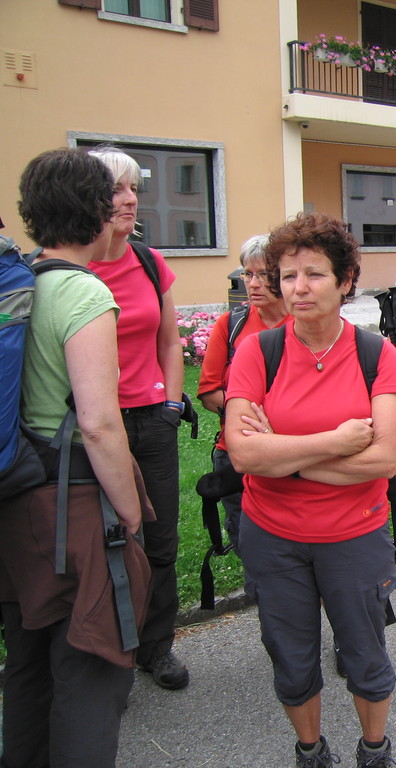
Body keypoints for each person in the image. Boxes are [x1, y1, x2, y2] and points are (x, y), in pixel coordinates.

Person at [224, 212, 396, 768]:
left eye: (314, 274)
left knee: (364, 652)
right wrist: (335, 442)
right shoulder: (259, 352)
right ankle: (311, 751)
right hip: (273, 538)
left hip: (355, 535)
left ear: (345, 280)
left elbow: (386, 459)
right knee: (291, 655)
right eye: (287, 276)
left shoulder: (376, 354)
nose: (298, 288)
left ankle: (374, 750)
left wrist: (286, 458)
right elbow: (243, 454)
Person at [1, 148, 151, 767]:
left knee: (28, 662)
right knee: (91, 668)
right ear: (95, 212)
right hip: (76, 507)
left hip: (18, 497)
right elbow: (98, 422)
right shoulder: (83, 294)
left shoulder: (22, 281)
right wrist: (131, 512)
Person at [86, 146, 189, 690]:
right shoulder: (67, 267)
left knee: (159, 540)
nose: (130, 200)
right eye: (116, 191)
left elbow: (170, 341)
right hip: (92, 423)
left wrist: (171, 404)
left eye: (133, 189)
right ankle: (108, 653)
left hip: (152, 420)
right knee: (102, 542)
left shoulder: (148, 262)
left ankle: (156, 647)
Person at [197, 234, 288, 552]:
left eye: (263, 274)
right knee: (247, 540)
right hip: (237, 451)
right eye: (248, 274)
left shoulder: (303, 324)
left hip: (292, 450)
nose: (253, 284)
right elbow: (209, 392)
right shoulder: (231, 324)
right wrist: (255, 418)